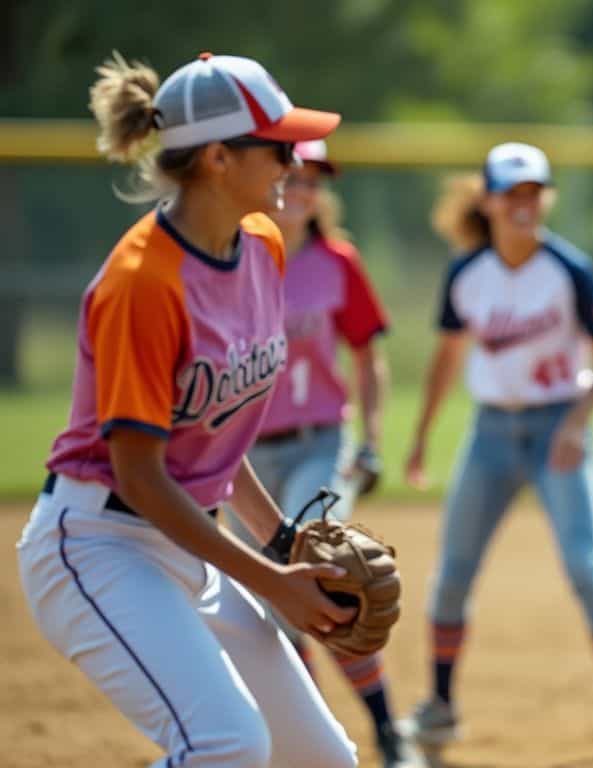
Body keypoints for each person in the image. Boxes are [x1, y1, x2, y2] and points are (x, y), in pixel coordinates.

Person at [16, 52, 359, 767]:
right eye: (278, 145)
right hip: (98, 544)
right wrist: (272, 585)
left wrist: (283, 542)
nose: (293, 161)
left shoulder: (261, 244)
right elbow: (140, 476)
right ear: (217, 158)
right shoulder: (142, 284)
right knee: (225, 745)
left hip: (190, 543)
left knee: (323, 758)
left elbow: (216, 435)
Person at [399, 142, 593, 758]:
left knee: (585, 568)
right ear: (488, 201)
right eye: (511, 193)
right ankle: (438, 710)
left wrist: (577, 422)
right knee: (451, 578)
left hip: (556, 431)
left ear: (546, 198)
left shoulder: (569, 270)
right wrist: (419, 441)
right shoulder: (467, 275)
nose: (523, 204)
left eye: (533, 192)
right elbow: (445, 362)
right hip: (490, 434)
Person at [225, 138, 415, 767]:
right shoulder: (234, 258)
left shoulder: (336, 261)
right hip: (244, 460)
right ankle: (307, 733)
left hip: (318, 443)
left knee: (326, 573)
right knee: (268, 602)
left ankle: (389, 731)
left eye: (315, 181)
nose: (304, 190)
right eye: (296, 176)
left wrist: (371, 440)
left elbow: (367, 354)